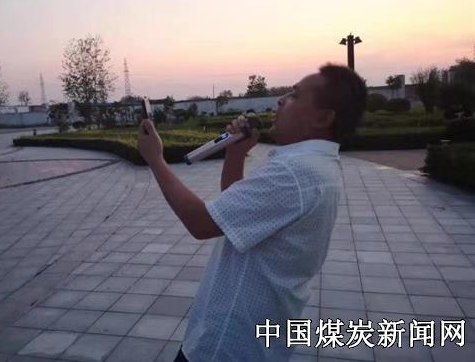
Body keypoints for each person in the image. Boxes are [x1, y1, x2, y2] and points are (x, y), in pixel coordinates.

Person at [137, 63, 367, 362]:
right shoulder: (316, 167)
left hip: (228, 344)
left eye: (295, 95)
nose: (281, 100)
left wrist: (155, 159)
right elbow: (237, 217)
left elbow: (201, 223)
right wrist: (235, 153)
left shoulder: (294, 171)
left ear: (323, 117)